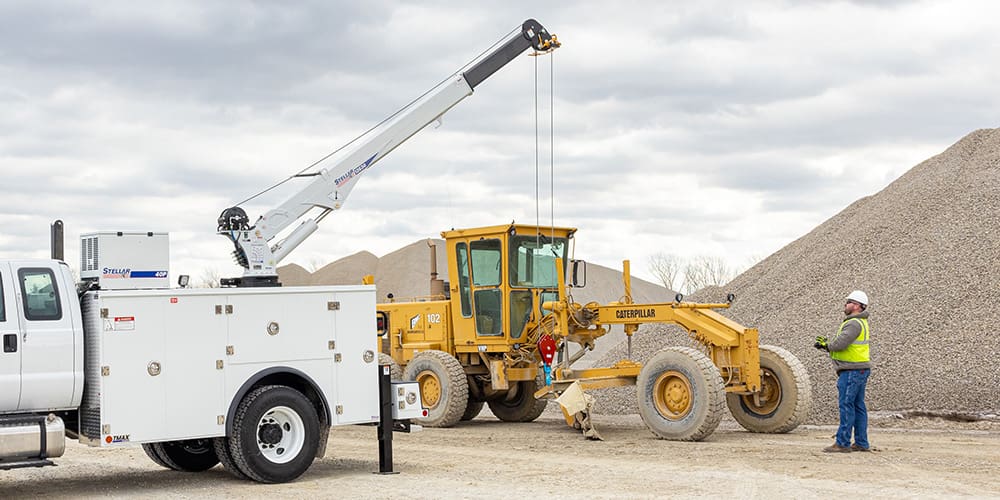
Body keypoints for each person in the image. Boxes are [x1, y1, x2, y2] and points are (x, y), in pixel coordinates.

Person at [814, 290, 871, 453]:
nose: (845, 304)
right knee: (858, 406)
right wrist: (828, 346)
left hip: (852, 370)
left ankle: (843, 442)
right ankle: (861, 442)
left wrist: (826, 345)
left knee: (847, 405)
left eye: (849, 302)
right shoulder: (859, 322)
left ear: (857, 306)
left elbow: (841, 343)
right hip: (859, 369)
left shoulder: (853, 323)